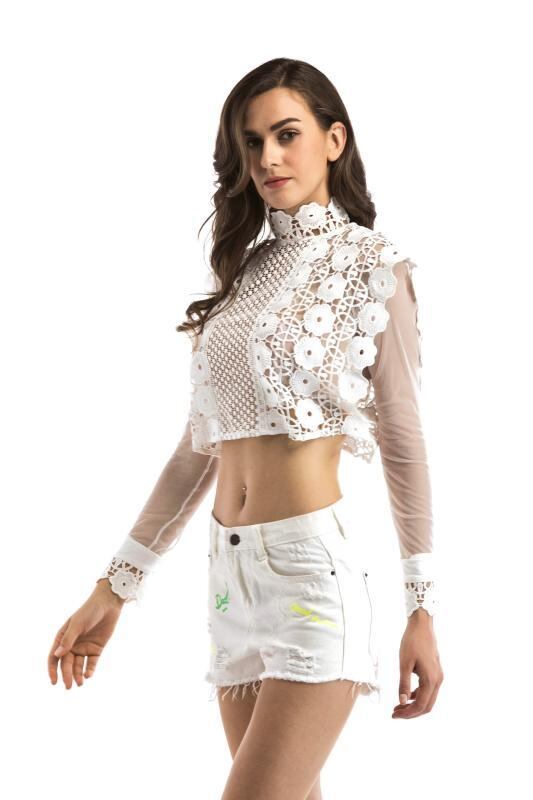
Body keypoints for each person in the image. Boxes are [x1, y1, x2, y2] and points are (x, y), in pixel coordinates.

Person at [48, 57, 443, 800]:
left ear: (333, 140)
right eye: (252, 142)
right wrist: (114, 586)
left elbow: (403, 439)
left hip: (309, 581)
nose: (267, 158)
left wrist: (421, 608)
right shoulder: (243, 274)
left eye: (287, 135)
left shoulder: (373, 267)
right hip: (230, 587)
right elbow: (197, 450)